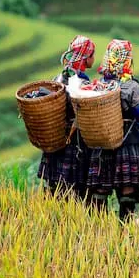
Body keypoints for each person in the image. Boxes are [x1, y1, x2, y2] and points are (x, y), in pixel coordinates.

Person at [86, 39, 139, 219]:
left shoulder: (100, 84)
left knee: (100, 188)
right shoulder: (131, 86)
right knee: (127, 187)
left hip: (102, 143)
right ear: (126, 60)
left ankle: (97, 226)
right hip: (127, 142)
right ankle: (125, 226)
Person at [37, 35, 96, 200]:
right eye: (92, 55)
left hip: (56, 138)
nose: (94, 59)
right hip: (74, 141)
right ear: (85, 58)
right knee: (73, 190)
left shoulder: (58, 77)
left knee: (55, 188)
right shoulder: (82, 81)